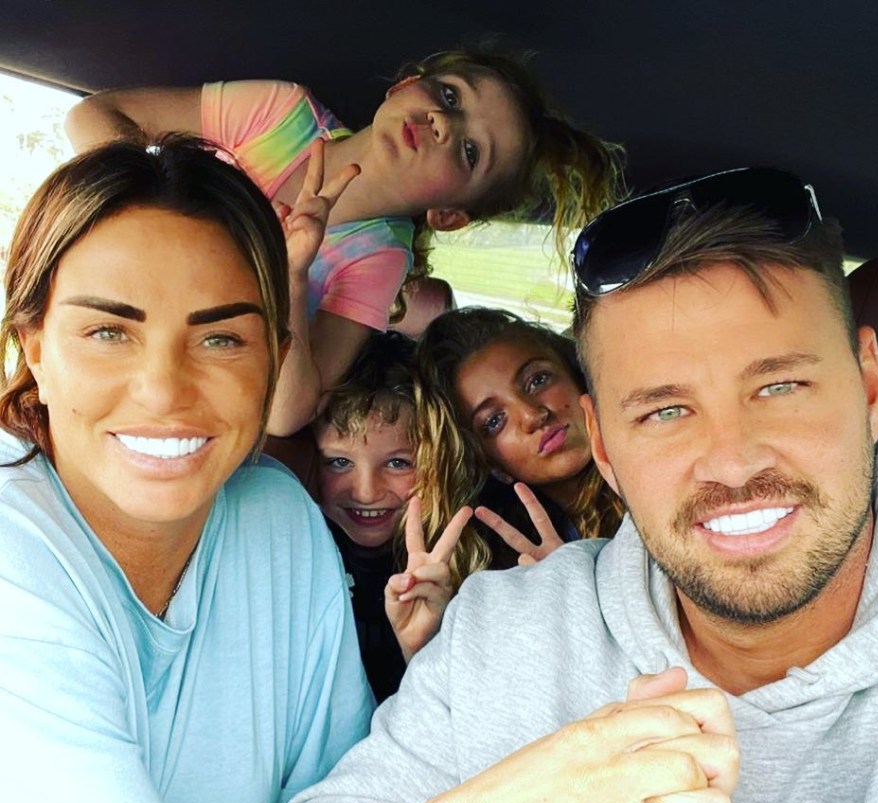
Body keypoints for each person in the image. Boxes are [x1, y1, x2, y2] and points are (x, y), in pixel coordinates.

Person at [0, 137, 736, 803]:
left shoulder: (275, 520)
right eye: (109, 332)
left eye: (221, 339)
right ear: (32, 342)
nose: (165, 389)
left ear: (279, 356)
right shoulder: (15, 554)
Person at [233, 167, 878, 803]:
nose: (732, 461)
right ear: (606, 446)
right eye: (666, 410)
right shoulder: (508, 630)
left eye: (779, 386)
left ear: (869, 387)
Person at [64, 49, 623, 435]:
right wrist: (175, 218)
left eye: (470, 151)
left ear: (449, 214)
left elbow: (286, 414)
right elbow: (94, 114)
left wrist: (287, 274)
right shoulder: (279, 114)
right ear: (408, 86)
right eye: (450, 97)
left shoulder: (378, 258)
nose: (443, 125)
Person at [264, 331, 471, 702]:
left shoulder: (467, 560)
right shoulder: (295, 558)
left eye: (397, 463)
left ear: (438, 461)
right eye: (339, 462)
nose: (366, 491)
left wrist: (424, 648)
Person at [416, 306, 623, 568]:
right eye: (494, 421)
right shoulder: (510, 563)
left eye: (538, 380)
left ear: (576, 373)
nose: (532, 415)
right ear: (492, 466)